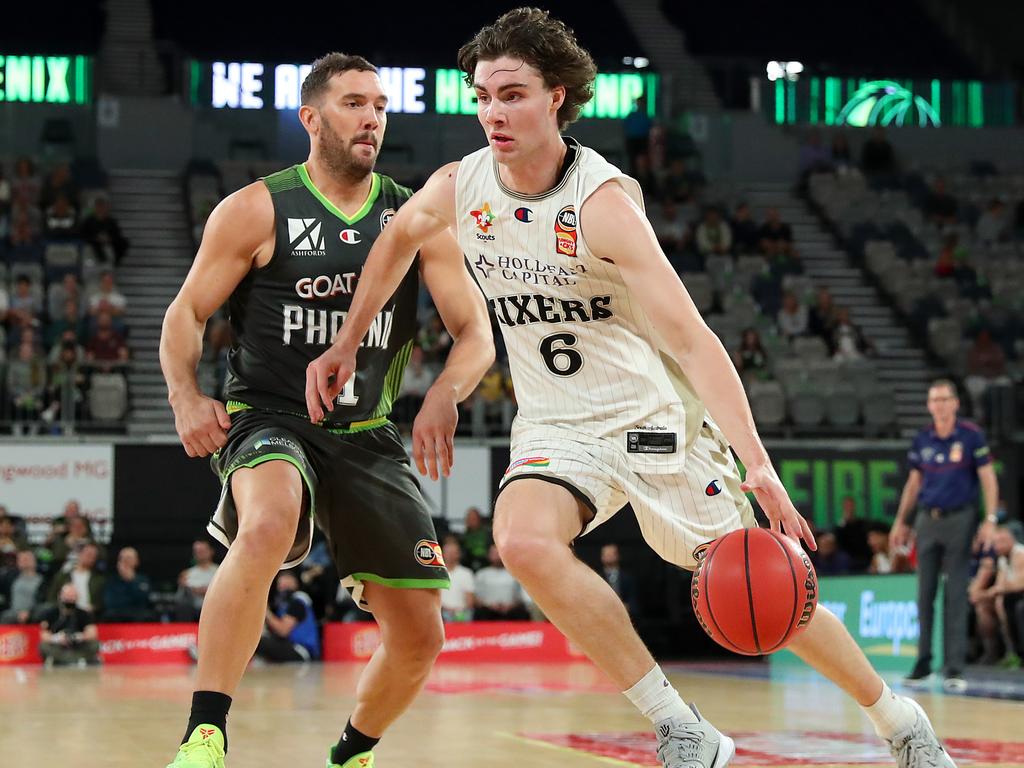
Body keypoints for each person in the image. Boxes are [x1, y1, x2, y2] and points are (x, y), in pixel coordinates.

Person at [307, 9, 957, 768]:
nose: (492, 112)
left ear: (556, 97)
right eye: (482, 94)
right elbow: (397, 238)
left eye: (512, 94)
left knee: (765, 591)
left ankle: (896, 718)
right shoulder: (462, 184)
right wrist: (347, 342)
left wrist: (758, 462)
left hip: (655, 422)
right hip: (557, 427)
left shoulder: (603, 205)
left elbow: (691, 339)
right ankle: (681, 726)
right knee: (520, 540)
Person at [159, 52, 493, 768]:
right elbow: (186, 312)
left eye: (378, 103)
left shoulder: (415, 216)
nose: (371, 116)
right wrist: (186, 396)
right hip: (270, 417)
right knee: (270, 522)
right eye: (352, 103)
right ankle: (205, 733)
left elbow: (475, 335)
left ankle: (351, 752)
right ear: (310, 118)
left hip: (368, 432)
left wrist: (444, 392)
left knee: (420, 637)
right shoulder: (256, 207)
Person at [890, 379, 999, 690]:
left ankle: (954, 667)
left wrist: (989, 520)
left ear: (955, 403)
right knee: (924, 594)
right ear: (929, 406)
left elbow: (988, 479)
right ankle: (923, 663)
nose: (938, 405)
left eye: (944, 399)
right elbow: (913, 484)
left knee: (955, 594)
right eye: (933, 400)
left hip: (960, 519)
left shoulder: (970, 436)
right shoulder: (922, 439)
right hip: (927, 519)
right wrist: (902, 520)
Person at [972, 527, 1024, 666]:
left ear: (1011, 541)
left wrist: (992, 592)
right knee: (984, 607)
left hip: (1019, 598)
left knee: (1005, 604)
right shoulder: (1002, 559)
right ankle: (991, 653)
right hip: (1010, 598)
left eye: (1001, 541)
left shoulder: (1020, 555)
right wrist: (982, 595)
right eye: (995, 543)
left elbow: (1019, 583)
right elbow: (1000, 585)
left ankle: (1014, 652)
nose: (997, 546)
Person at [254, 571, 320, 663]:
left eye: (285, 585)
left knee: (256, 642)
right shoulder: (284, 605)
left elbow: (283, 631)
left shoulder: (298, 602)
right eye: (280, 586)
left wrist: (266, 612)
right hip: (290, 646)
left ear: (295, 584)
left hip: (300, 650)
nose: (282, 589)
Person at [39, 583, 101, 667]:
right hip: (59, 647)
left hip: (78, 646)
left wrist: (79, 637)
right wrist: (56, 638)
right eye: (67, 596)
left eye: (72, 596)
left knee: (94, 644)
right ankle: (76, 660)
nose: (70, 599)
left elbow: (93, 633)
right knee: (43, 646)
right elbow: (44, 635)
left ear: (77, 597)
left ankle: (64, 661)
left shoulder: (84, 613)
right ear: (60, 596)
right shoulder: (50, 613)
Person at [472, 544, 528, 620]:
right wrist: (489, 605)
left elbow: (520, 597)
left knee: (521, 613)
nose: (497, 556)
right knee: (480, 613)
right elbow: (476, 598)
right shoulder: (481, 574)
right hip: (488, 610)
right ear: (488, 555)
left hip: (510, 610)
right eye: (494, 553)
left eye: (498, 553)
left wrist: (511, 606)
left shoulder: (515, 573)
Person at [102, 546, 154, 622]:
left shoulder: (143, 580)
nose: (125, 561)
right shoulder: (111, 581)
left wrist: (131, 580)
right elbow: (110, 603)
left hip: (139, 619)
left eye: (129, 558)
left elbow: (144, 601)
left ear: (137, 561)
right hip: (117, 619)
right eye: (122, 558)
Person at [175, 540, 219, 622]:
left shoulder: (220, 571)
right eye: (197, 551)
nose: (200, 553)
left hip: (215, 609)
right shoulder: (186, 574)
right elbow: (179, 597)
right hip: (193, 611)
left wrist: (205, 591)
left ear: (211, 551)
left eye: (203, 551)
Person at [0, 549, 45, 623]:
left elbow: (42, 601)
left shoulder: (41, 580)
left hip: (33, 614)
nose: (23, 561)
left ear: (34, 561)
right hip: (11, 614)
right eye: (20, 559)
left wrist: (29, 612)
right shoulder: (10, 577)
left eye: (26, 559)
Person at [439, 537, 475, 622]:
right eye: (448, 552)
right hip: (442, 612)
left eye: (453, 553)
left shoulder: (466, 573)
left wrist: (459, 611)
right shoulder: (437, 573)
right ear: (442, 554)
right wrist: (446, 609)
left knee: (466, 615)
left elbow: (470, 599)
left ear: (458, 554)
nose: (450, 555)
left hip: (462, 613)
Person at [599, 543, 638, 617]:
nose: (609, 556)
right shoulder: (597, 579)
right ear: (602, 557)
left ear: (618, 556)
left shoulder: (628, 578)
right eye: (606, 554)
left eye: (612, 554)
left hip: (624, 616)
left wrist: (626, 607)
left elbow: (633, 602)